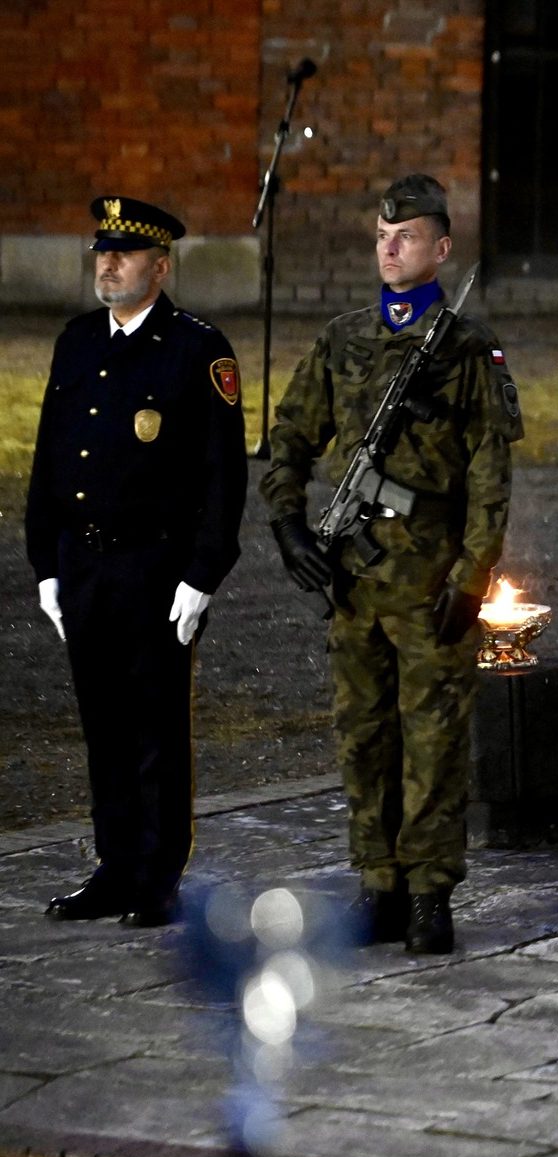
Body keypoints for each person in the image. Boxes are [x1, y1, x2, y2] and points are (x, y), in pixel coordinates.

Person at [259, 174, 521, 955]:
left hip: (430, 583)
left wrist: (473, 575)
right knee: (363, 737)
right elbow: (289, 438)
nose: (389, 248)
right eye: (381, 236)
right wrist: (288, 526)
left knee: (434, 741)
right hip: (353, 582)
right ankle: (378, 884)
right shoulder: (341, 341)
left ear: (440, 249)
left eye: (405, 237)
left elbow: (489, 473)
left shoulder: (467, 350)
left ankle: (430, 894)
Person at [27, 196, 247, 927]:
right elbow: (51, 458)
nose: (108, 264)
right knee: (104, 725)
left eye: (124, 254)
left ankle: (158, 874)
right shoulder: (78, 341)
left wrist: (203, 574)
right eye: (103, 253)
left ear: (160, 267)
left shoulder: (195, 349)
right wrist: (46, 563)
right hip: (85, 564)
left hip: (155, 568)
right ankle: (115, 866)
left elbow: (222, 474)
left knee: (155, 728)